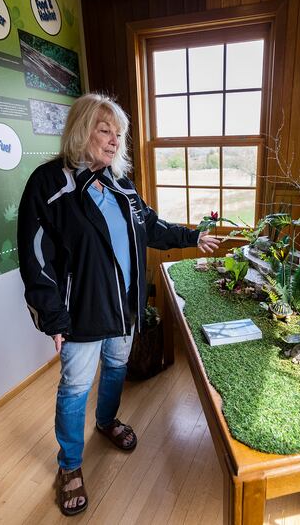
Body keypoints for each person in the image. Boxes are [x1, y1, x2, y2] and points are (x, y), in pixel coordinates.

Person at [17, 93, 220, 516]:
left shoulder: (120, 184)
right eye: (104, 130)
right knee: (75, 387)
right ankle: (70, 465)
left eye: (118, 134)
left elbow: (151, 226)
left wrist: (191, 237)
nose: (114, 141)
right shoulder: (48, 184)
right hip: (81, 314)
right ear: (81, 130)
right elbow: (35, 257)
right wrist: (52, 316)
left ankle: (107, 421)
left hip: (125, 307)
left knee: (115, 368)